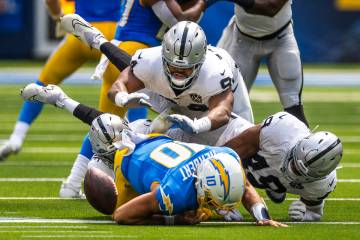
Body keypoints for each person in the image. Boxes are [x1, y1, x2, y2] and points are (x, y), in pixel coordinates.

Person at [20, 83, 287, 227]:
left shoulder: (222, 157)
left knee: (114, 126)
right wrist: (175, 218)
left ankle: (60, 99)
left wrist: (262, 215)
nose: (224, 209)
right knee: (106, 200)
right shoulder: (174, 192)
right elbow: (121, 216)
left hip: (156, 141)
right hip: (130, 162)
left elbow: (245, 184)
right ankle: (60, 100)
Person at [60, 15, 254, 147]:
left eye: (185, 68)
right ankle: (98, 41)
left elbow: (222, 113)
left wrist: (198, 126)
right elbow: (119, 86)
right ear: (164, 56)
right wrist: (121, 99)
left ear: (199, 62)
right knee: (137, 73)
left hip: (209, 106)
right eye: (173, 66)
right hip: (173, 101)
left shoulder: (215, 71)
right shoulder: (152, 59)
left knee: (245, 144)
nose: (178, 72)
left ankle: (99, 41)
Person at [0, 0, 123, 199]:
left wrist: (59, 17)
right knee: (113, 113)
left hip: (81, 32)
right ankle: (74, 182)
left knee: (41, 84)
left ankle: (17, 136)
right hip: (113, 37)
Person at [215, 111, 342, 221]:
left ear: (317, 177)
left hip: (258, 173)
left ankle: (275, 186)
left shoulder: (322, 184)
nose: (292, 169)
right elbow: (224, 156)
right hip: (222, 138)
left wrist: (307, 215)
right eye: (294, 162)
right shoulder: (283, 131)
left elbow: (314, 211)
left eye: (299, 172)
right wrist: (220, 194)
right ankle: (275, 186)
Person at [217, 0, 309, 126]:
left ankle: (305, 145)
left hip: (280, 40)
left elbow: (271, 7)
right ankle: (232, 144)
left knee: (293, 106)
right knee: (232, 106)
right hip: (243, 41)